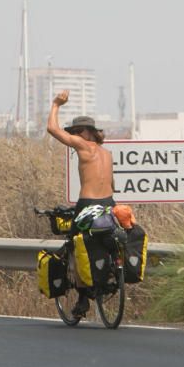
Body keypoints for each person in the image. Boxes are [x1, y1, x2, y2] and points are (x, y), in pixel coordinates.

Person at [46, 90, 115, 318]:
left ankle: (84, 299)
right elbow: (112, 184)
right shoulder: (107, 153)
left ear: (89, 133)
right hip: (108, 204)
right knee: (105, 242)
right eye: (74, 132)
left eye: (78, 131)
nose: (75, 135)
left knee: (75, 246)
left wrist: (56, 104)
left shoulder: (84, 146)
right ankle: (109, 275)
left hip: (88, 205)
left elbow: (52, 130)